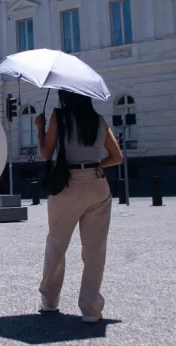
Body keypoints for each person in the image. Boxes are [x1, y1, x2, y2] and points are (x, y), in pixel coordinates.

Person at [34, 90, 123, 324]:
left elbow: (46, 153)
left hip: (68, 185)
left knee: (56, 243)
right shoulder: (99, 120)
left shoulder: (59, 117)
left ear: (65, 96)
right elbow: (117, 157)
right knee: (95, 250)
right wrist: (94, 166)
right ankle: (90, 310)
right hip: (97, 184)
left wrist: (39, 128)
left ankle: (50, 301)